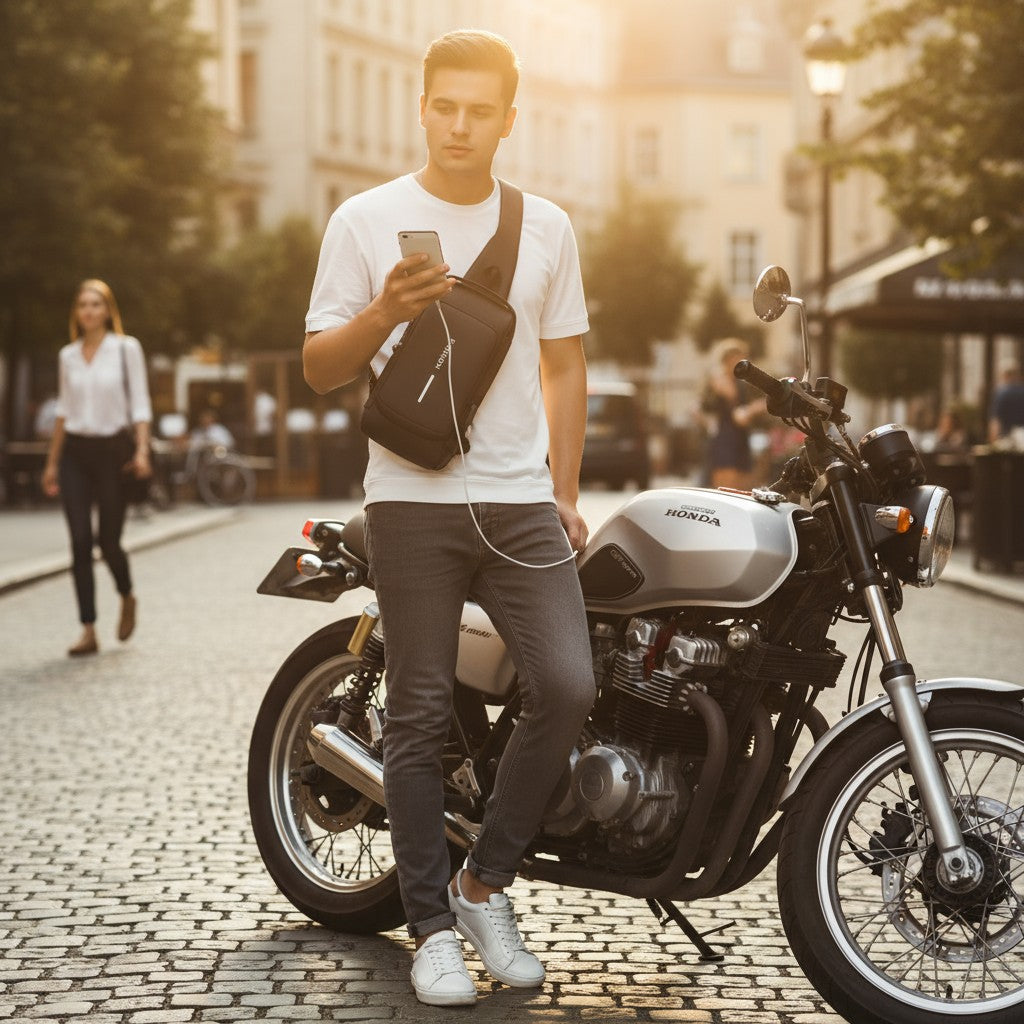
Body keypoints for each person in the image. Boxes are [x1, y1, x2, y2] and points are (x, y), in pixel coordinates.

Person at [303, 29, 595, 1007]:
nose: (460, 126)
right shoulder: (364, 219)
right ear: (421, 108)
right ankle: (429, 928)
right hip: (410, 500)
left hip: (520, 504)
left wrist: (565, 488)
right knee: (421, 711)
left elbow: (564, 364)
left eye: (480, 111)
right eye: (445, 107)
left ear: (509, 121)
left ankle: (481, 886)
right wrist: (385, 311)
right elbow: (320, 367)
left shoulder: (547, 225)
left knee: (567, 685)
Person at [41, 279, 152, 657]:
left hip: (112, 453)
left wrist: (142, 450)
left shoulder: (125, 348)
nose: (88, 311)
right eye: (82, 305)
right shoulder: (68, 356)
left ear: (107, 310)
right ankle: (88, 629)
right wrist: (52, 463)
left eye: (95, 304)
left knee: (108, 542)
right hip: (75, 453)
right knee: (79, 542)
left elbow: (140, 404)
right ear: (76, 312)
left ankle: (126, 595)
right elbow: (63, 410)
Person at [701, 338, 765, 490]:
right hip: (726, 438)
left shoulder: (741, 382)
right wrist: (752, 409)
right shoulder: (719, 379)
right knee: (725, 488)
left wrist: (752, 409)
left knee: (743, 486)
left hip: (741, 437)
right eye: (738, 358)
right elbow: (735, 412)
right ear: (727, 360)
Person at [988, 362, 1024, 442]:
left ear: (1005, 376)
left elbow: (996, 421)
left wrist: (993, 441)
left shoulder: (1001, 393)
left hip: (1007, 437)